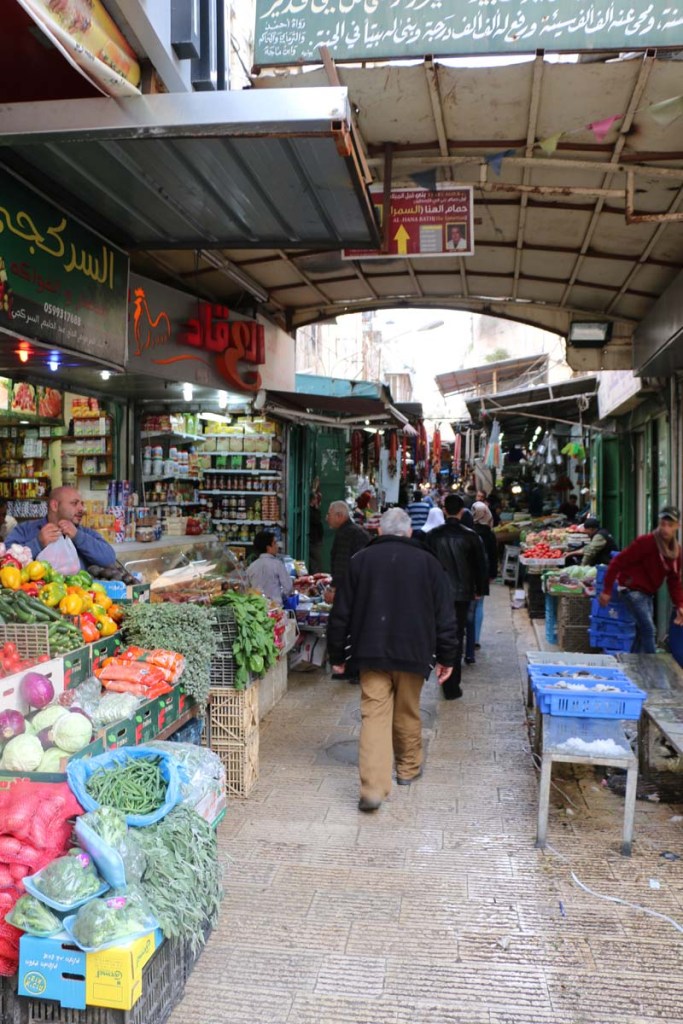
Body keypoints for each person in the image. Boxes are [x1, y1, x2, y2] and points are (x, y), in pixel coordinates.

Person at [327, 507, 458, 812]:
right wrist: (447, 657)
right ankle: (408, 770)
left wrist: (337, 655)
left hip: (370, 652)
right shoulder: (429, 564)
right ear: (410, 532)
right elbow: (445, 617)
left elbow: (340, 614)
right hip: (414, 653)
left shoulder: (360, 562)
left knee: (374, 716)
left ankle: (373, 789)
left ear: (379, 532)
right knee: (408, 712)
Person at [425, 494, 488, 699]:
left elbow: (427, 565)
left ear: (444, 510)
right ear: (462, 511)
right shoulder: (471, 536)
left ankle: (441, 674)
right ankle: (452, 684)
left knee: (439, 633)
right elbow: (480, 566)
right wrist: (480, 590)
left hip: (437, 594)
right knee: (457, 635)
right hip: (462, 594)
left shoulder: (433, 536)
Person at [599, 506, 683, 654]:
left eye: (670, 525)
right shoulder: (646, 542)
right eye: (663, 524)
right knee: (649, 629)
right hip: (631, 589)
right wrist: (606, 590)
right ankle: (653, 665)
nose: (665, 529)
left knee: (641, 632)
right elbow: (617, 562)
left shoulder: (676, 552)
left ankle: (632, 664)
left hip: (647, 593)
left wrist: (679, 605)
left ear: (677, 526)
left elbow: (674, 581)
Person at [6, 486, 114, 570]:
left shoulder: (85, 533)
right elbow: (5, 562)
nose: (82, 509)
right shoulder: (25, 530)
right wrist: (37, 544)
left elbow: (109, 559)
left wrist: (78, 536)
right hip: (37, 595)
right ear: (54, 506)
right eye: (74, 503)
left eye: (82, 504)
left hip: (78, 596)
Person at [465, 501, 498, 662]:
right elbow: (493, 557)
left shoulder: (468, 531)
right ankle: (475, 639)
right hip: (482, 574)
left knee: (465, 605)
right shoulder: (489, 534)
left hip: (466, 574)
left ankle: (466, 634)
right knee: (479, 605)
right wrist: (492, 574)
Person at [246, 531, 293, 605]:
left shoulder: (251, 567)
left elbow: (246, 589)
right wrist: (280, 596)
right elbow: (288, 588)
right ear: (268, 548)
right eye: (275, 543)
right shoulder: (278, 564)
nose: (277, 546)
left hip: (257, 608)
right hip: (275, 610)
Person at [308, 492, 323, 573]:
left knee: (315, 561)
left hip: (315, 538)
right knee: (316, 561)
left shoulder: (312, 510)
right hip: (314, 539)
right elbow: (316, 520)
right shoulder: (312, 511)